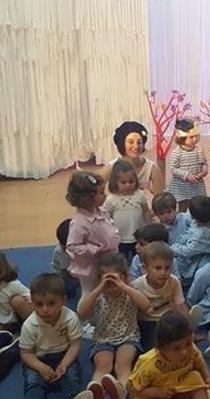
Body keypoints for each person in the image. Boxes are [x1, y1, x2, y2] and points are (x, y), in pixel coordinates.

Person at [8, 274, 94, 399]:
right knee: (33, 381)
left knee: (71, 376)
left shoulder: (70, 318)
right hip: (38, 358)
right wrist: (40, 366)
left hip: (64, 355)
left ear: (63, 300)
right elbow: (26, 353)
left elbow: (75, 345)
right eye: (39, 304)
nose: (45, 309)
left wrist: (64, 363)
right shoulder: (29, 325)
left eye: (51, 303)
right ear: (32, 302)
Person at [78, 253, 150, 399]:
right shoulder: (97, 296)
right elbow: (82, 313)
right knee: (103, 366)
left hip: (128, 338)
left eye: (115, 279)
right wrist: (99, 288)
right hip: (103, 339)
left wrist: (124, 285)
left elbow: (146, 305)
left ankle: (121, 392)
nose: (111, 285)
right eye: (107, 281)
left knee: (123, 365)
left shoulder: (130, 291)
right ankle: (95, 393)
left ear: (125, 277)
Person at [129, 312, 210, 399]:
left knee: (196, 377)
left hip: (177, 393)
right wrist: (156, 392)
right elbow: (133, 390)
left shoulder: (191, 350)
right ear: (161, 349)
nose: (184, 351)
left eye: (188, 343)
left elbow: (199, 362)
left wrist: (208, 377)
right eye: (176, 348)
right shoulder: (149, 363)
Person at [134, 241, 202, 351]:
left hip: (167, 319)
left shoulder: (174, 281)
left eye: (167, 268)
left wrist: (188, 330)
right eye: (158, 268)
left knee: (181, 342)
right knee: (153, 347)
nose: (163, 272)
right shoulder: (137, 285)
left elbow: (181, 307)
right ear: (145, 268)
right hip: (146, 321)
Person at [66, 171, 120, 303]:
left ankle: (103, 314)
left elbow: (109, 226)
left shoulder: (101, 211)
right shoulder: (79, 222)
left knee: (105, 289)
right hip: (90, 266)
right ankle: (86, 317)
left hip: (107, 259)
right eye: (101, 193)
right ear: (88, 198)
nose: (105, 195)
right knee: (90, 293)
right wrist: (94, 250)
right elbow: (72, 246)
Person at [105, 160, 151, 261]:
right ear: (115, 182)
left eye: (131, 182)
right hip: (120, 238)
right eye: (123, 182)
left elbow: (146, 211)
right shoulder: (111, 199)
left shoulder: (140, 195)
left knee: (141, 258)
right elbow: (107, 218)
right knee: (122, 261)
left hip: (138, 236)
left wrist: (148, 226)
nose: (128, 185)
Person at [171, 196, 210, 289]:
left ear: (194, 216)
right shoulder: (206, 222)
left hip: (193, 263)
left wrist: (171, 248)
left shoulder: (203, 235)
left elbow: (187, 252)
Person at [107, 121, 161, 195]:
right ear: (122, 144)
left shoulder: (151, 168)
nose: (136, 147)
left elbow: (161, 197)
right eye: (131, 142)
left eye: (139, 142)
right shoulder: (112, 167)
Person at [166, 119, 208, 212]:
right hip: (182, 186)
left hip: (197, 185)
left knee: (197, 206)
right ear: (182, 137)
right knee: (182, 207)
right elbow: (173, 169)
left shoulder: (199, 150)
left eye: (196, 136)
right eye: (191, 137)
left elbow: (204, 163)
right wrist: (186, 175)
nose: (194, 139)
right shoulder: (176, 153)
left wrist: (204, 171)